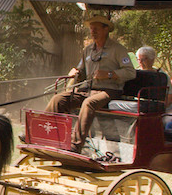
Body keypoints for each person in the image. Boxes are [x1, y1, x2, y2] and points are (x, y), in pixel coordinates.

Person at [44, 14, 137, 149]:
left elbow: (130, 72)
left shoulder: (118, 49)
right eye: (91, 29)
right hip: (88, 90)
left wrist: (109, 74)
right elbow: (82, 71)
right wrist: (75, 73)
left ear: (106, 30)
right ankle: (43, 134)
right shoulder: (88, 50)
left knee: (88, 103)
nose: (92, 32)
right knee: (58, 99)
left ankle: (75, 144)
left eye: (96, 29)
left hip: (110, 91)